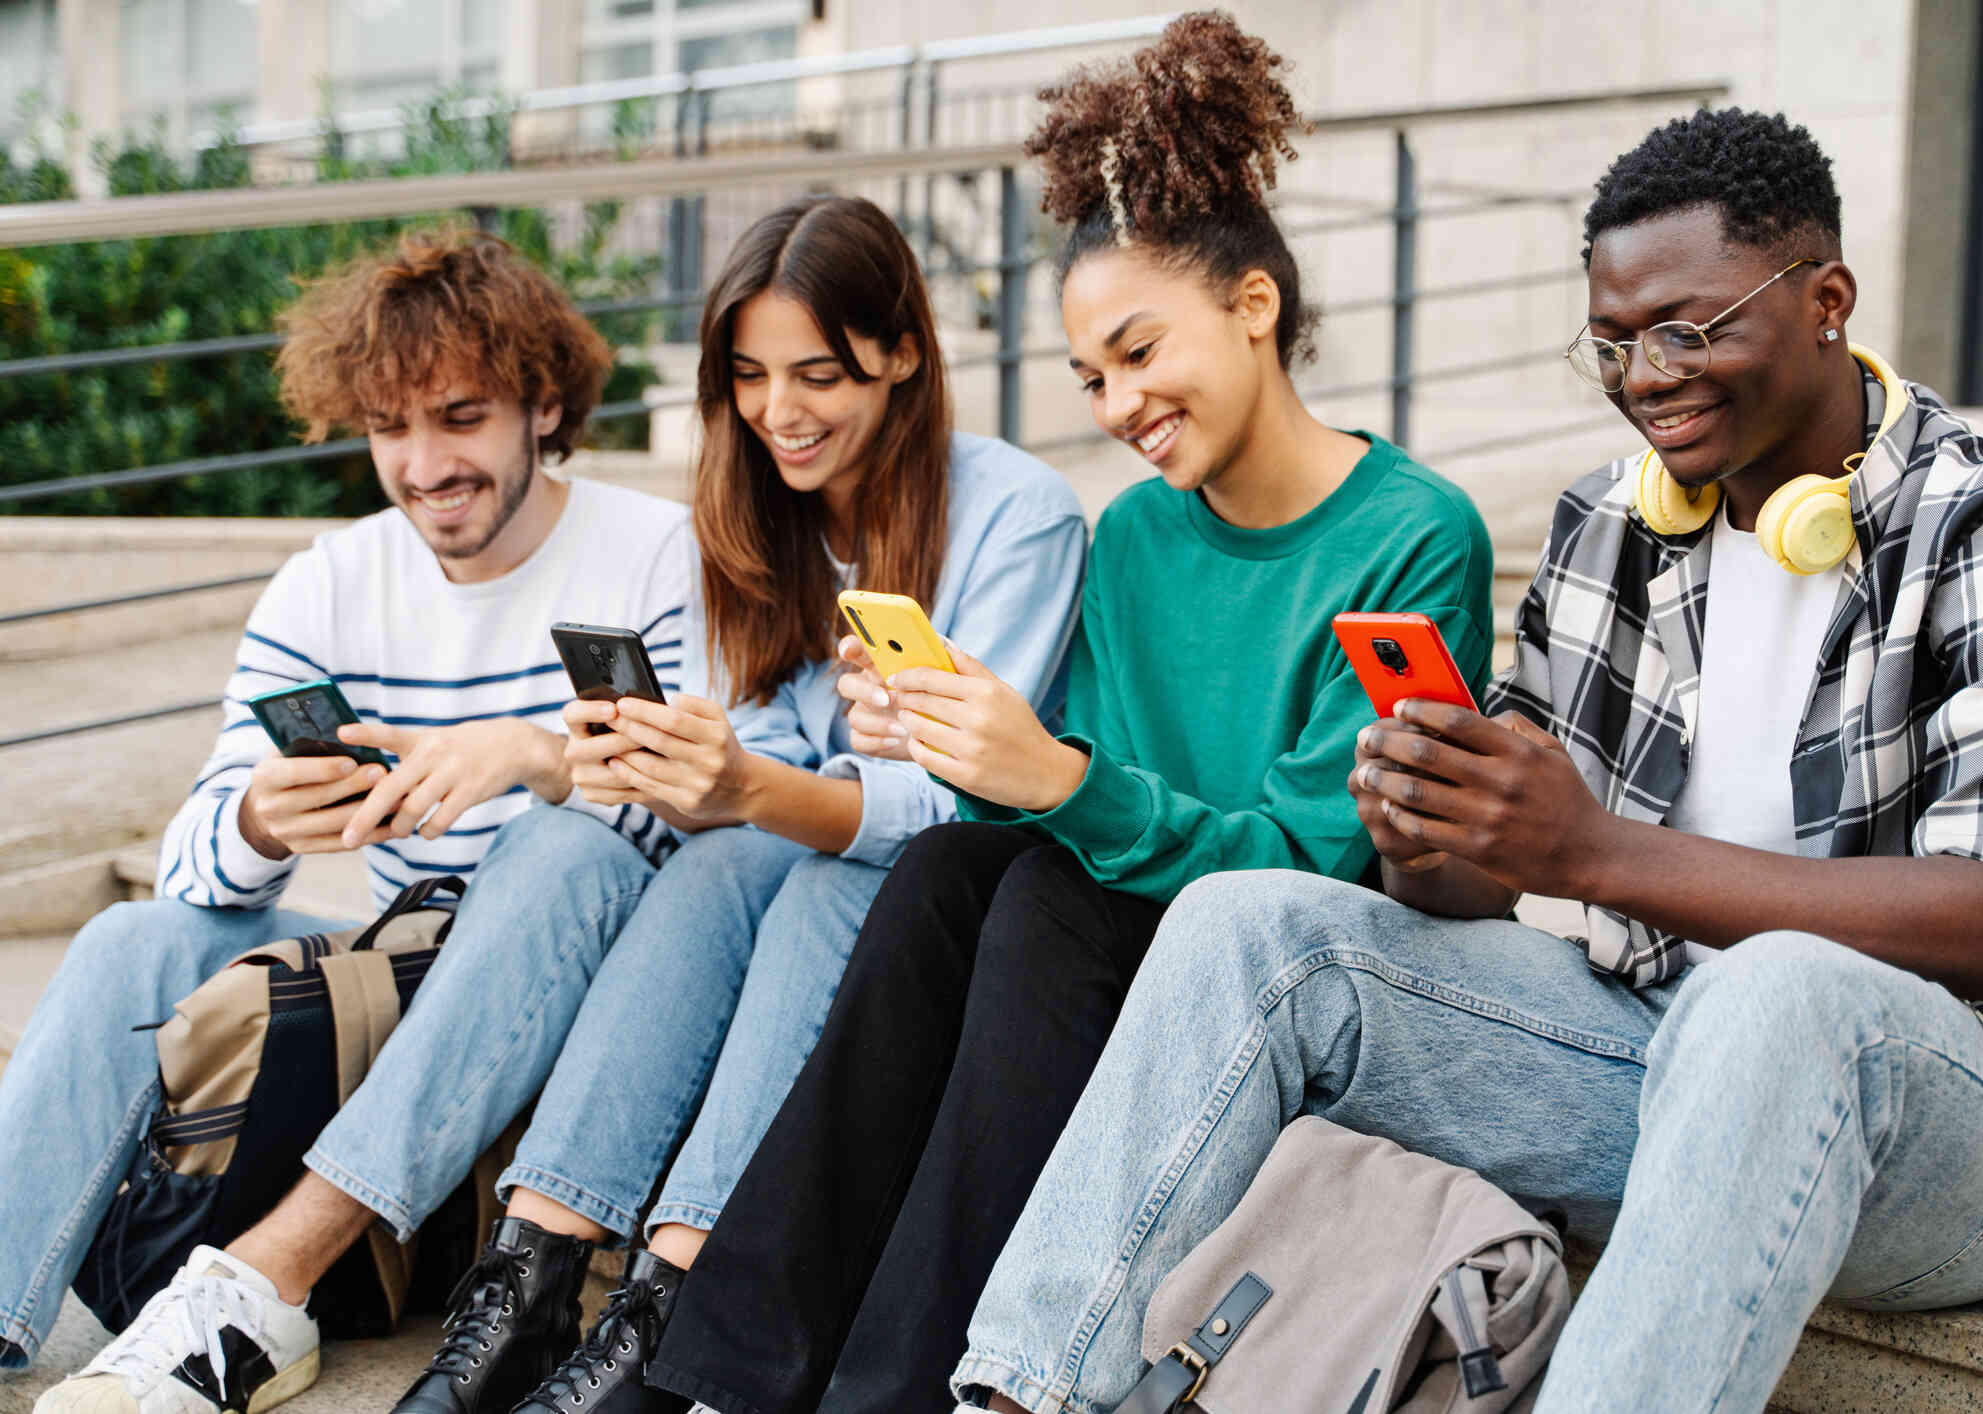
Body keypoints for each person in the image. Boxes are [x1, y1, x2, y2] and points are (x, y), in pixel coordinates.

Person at [951, 107, 1983, 1414]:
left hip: (1956, 1145)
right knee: (1252, 925)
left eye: (1687, 328)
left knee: (1780, 992)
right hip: (1646, 1055)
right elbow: (1465, 902)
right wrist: (1435, 821)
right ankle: (1024, 1391)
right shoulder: (1610, 522)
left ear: (1827, 300)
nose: (1647, 375)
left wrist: (1597, 851)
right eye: (1612, 344)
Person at [642, 15, 1497, 1414]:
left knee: (1039, 898)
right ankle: (731, 1380)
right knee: (940, 870)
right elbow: (1079, 796)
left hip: (1290, 959)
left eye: (1137, 350)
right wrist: (951, 743)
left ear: (1255, 307)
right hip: (1121, 936)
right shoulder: (1140, 536)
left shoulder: (1415, 536)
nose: (1116, 402)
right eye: (1090, 376)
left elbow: (1309, 866)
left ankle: (893, 1391)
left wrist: (1049, 779)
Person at [387, 194, 1086, 1414]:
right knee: (707, 859)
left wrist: (759, 787)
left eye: (819, 373)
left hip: (959, 908)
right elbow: (752, 748)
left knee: (815, 872)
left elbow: (964, 811)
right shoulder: (747, 510)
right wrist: (660, 764)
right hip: (778, 876)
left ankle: (673, 1304)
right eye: (751, 376)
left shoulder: (1018, 514)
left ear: (904, 352)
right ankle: (532, 1279)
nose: (779, 413)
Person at [16, 228, 695, 1413]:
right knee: (133, 940)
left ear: (542, 403)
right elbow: (193, 864)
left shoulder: (652, 553)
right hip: (390, 985)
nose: (426, 463)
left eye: (460, 415)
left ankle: (261, 1288)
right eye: (392, 428)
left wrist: (539, 761)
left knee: (563, 843)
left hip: (575, 1006)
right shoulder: (328, 582)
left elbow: (697, 836)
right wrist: (262, 825)